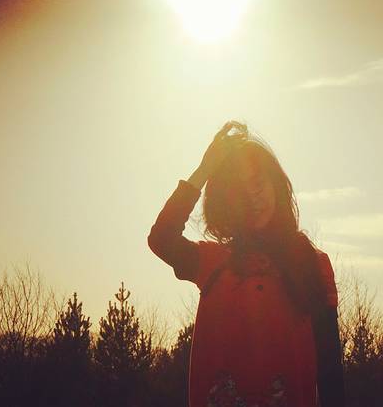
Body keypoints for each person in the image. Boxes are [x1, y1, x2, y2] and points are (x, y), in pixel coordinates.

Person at [148, 121, 346, 407]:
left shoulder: (313, 264)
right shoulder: (212, 263)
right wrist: (205, 169)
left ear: (276, 186)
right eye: (239, 192)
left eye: (258, 183)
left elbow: (330, 371)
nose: (252, 198)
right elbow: (162, 239)